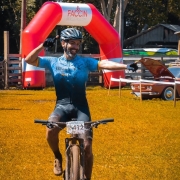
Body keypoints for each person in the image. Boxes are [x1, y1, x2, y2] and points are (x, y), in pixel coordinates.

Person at [25, 28, 138, 180]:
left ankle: (87, 177)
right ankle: (58, 156)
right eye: (72, 43)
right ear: (63, 43)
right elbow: (29, 60)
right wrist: (42, 46)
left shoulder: (84, 62)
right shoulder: (53, 61)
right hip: (62, 107)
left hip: (81, 108)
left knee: (87, 147)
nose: (76, 47)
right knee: (50, 130)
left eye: (78, 44)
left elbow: (103, 63)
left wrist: (125, 66)